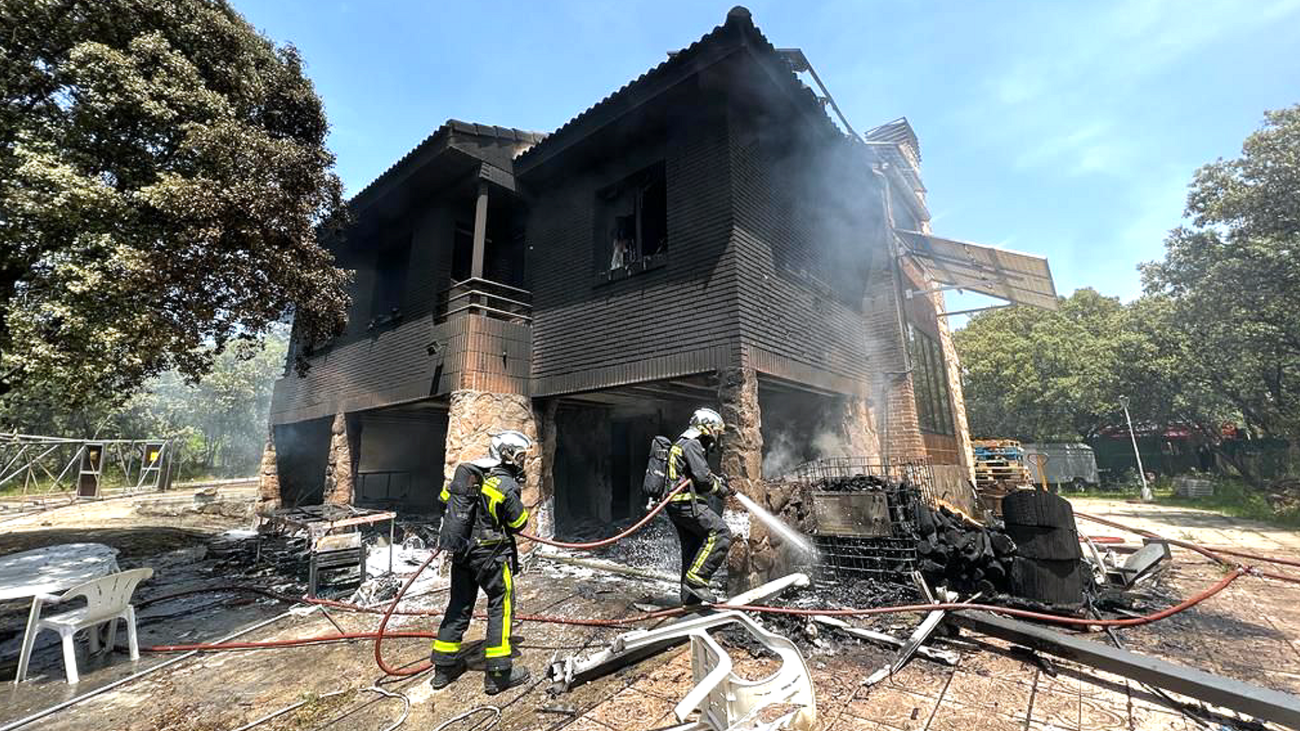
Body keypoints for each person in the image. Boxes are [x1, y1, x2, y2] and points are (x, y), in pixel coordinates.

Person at [431, 430, 533, 695]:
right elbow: (519, 523)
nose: (522, 461)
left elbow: (444, 501)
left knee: (459, 605)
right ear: (508, 455)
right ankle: (498, 674)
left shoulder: (470, 474)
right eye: (520, 456)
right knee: (501, 605)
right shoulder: (505, 484)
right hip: (491, 557)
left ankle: (444, 668)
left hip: (463, 553)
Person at [666, 408, 733, 605]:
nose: (715, 436)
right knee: (720, 533)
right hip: (687, 503)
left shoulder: (683, 443)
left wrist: (717, 481)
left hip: (677, 505)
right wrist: (722, 490)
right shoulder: (692, 444)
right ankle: (697, 581)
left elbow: (697, 474)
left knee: (693, 548)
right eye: (715, 430)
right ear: (706, 427)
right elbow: (704, 480)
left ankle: (690, 601)